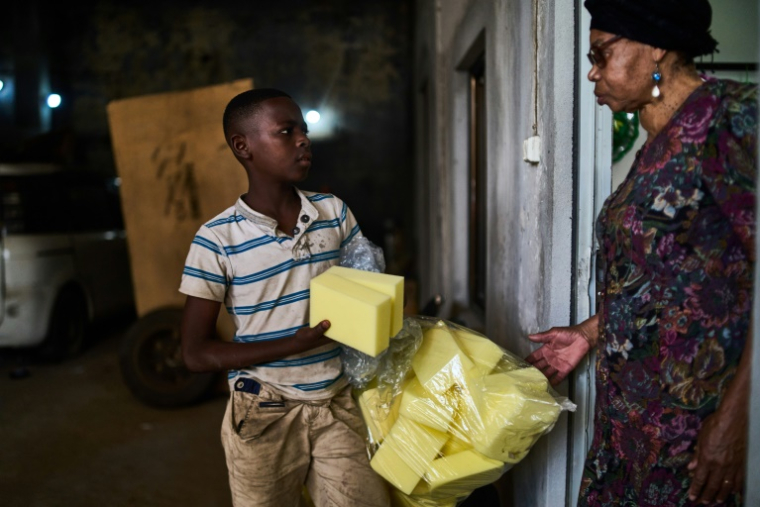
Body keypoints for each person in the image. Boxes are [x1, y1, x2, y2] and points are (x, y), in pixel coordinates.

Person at [526, 1, 757, 506]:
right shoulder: (655, 145)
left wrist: (739, 420)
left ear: (655, 47)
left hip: (694, 428)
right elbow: (663, 277)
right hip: (630, 422)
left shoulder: (729, 118)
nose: (592, 71)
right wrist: (589, 332)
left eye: (601, 54)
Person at [178, 88, 390, 507]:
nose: (303, 140)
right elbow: (195, 353)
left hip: (337, 402)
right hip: (264, 409)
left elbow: (365, 289)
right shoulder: (218, 239)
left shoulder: (333, 213)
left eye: (304, 131)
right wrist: (292, 345)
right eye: (286, 131)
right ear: (244, 146)